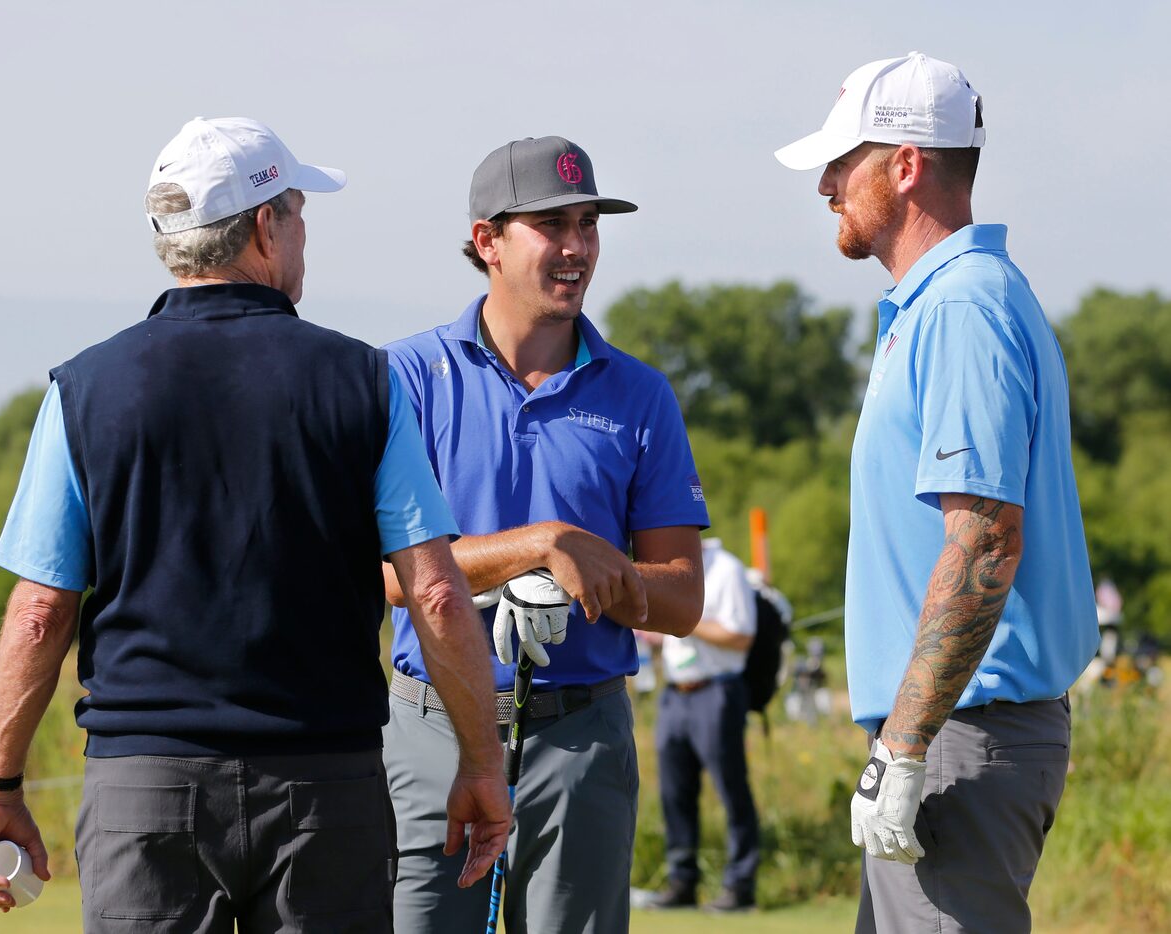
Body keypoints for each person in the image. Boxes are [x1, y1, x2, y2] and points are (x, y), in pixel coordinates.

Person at [0, 116, 510, 933]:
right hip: (328, 787)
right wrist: (482, 759)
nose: (302, 234)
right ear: (265, 226)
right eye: (297, 212)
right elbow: (434, 594)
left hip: (145, 790)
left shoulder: (84, 388)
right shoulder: (364, 380)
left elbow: (43, 611)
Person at [775, 53, 1099, 933]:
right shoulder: (947, 303)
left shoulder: (961, 307)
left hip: (962, 734)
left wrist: (908, 744)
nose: (828, 186)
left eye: (844, 164)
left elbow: (985, 541)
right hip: (953, 730)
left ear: (906, 165)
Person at [380, 136, 710, 933]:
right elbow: (385, 575)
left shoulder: (641, 394)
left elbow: (682, 598)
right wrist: (536, 547)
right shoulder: (407, 377)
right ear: (487, 239)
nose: (577, 248)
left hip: (581, 736)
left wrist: (590, 575)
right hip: (432, 731)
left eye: (588, 224)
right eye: (551, 225)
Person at [650, 537, 760, 912]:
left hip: (717, 691)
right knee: (674, 792)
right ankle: (682, 882)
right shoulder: (665, 568)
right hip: (675, 692)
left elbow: (741, 636)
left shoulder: (726, 569)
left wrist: (684, 618)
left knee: (731, 788)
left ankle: (740, 885)